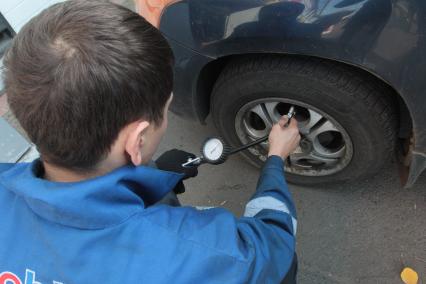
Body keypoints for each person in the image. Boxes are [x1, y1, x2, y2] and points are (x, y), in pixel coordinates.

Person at [0, 1, 301, 283]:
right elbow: (274, 243)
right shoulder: (203, 254)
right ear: (137, 140)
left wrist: (151, 182)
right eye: (166, 109)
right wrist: (276, 158)